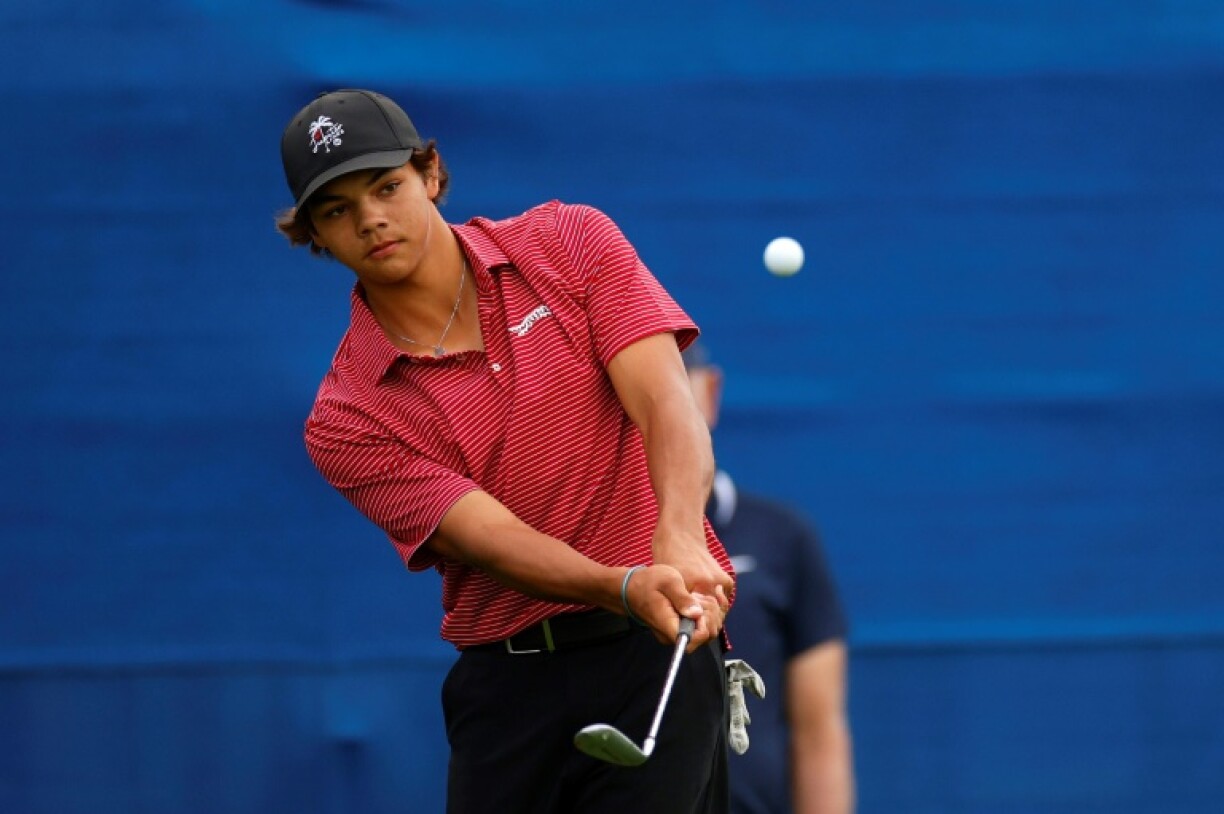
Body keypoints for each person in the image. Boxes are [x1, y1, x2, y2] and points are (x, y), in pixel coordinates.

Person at [275, 88, 736, 813]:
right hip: (509, 691)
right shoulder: (346, 416)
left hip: (656, 659)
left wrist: (677, 530)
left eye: (386, 187)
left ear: (429, 173)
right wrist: (621, 584)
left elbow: (665, 403)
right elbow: (492, 538)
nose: (371, 219)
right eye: (337, 210)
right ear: (315, 237)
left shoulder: (569, 241)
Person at [684, 341, 855, 814]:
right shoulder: (585, 543)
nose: (665, 401)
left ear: (711, 393)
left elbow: (819, 730)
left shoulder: (784, 535)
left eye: (680, 380)